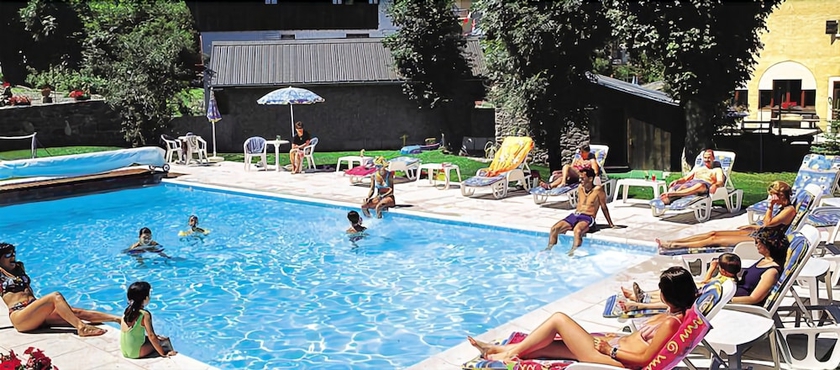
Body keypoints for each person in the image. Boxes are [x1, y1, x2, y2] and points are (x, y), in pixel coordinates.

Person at [467, 266, 698, 367]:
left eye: (662, 290)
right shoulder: (678, 311)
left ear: (671, 295)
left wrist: (611, 350)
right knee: (547, 347)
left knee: (559, 319)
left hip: (614, 358)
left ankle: (509, 355)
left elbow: (646, 359)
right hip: (613, 348)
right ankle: (497, 352)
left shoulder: (670, 323)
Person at [0, 242, 120, 337]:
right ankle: (82, 328)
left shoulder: (18, 268)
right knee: (55, 296)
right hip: (21, 316)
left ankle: (118, 319)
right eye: (8, 255)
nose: (13, 256)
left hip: (36, 312)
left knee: (75, 312)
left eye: (13, 253)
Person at [657, 181, 795, 250]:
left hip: (766, 242)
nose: (769, 197)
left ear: (781, 195)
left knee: (714, 240)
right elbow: (767, 224)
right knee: (713, 233)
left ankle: (675, 246)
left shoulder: (789, 210)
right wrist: (753, 226)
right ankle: (675, 241)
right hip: (760, 234)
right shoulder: (782, 207)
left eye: (772, 194)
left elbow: (768, 224)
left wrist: (770, 206)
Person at [620, 253, 741, 312]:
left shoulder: (725, 281)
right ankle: (644, 296)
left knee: (674, 295)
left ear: (724, 271)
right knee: (673, 288)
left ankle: (641, 304)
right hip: (701, 293)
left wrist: (711, 268)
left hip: (698, 298)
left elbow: (705, 281)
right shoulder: (729, 280)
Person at [546, 168, 616, 256]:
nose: (580, 180)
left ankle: (573, 252)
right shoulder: (580, 188)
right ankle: (549, 250)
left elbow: (604, 207)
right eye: (580, 178)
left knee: (577, 230)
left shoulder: (598, 190)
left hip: (587, 217)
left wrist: (610, 224)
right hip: (575, 215)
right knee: (554, 229)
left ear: (590, 179)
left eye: (583, 178)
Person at [120, 281, 178, 359]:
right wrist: (163, 353)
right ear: (146, 298)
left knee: (157, 338)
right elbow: (151, 335)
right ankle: (169, 352)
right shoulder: (144, 314)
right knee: (165, 341)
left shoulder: (127, 311)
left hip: (124, 351)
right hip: (134, 353)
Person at [658, 149, 725, 205]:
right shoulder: (698, 168)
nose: (707, 159)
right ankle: (670, 198)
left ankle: (672, 194)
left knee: (700, 185)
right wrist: (677, 181)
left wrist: (715, 186)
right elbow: (686, 178)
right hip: (692, 183)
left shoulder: (717, 170)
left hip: (704, 185)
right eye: (705, 158)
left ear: (713, 158)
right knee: (682, 187)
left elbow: (720, 181)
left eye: (709, 157)